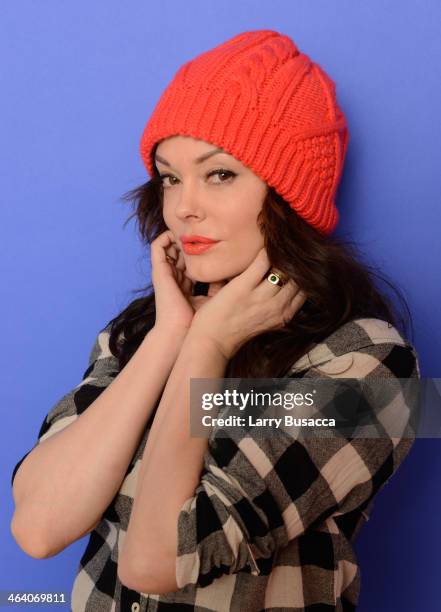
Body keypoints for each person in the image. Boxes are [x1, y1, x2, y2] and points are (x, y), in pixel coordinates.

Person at [10, 29, 420, 611]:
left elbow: (157, 561)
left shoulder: (369, 366)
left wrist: (206, 346)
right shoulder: (141, 332)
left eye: (220, 173)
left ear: (286, 192)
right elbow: (39, 527)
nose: (182, 206)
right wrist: (170, 338)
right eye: (170, 175)